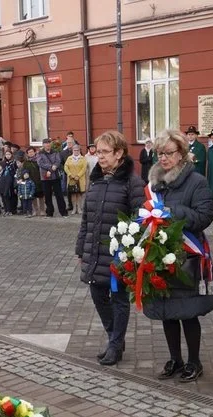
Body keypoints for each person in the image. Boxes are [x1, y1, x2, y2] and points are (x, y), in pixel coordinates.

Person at [145, 130, 213, 383]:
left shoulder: (196, 181)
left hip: (187, 254)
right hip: (160, 253)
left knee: (188, 311)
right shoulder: (155, 183)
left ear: (182, 154)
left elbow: (205, 216)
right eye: (159, 153)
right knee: (167, 310)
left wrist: (172, 211)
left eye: (168, 153)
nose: (163, 158)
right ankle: (175, 358)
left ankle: (194, 361)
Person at [76, 131, 145, 366]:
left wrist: (130, 250)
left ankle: (115, 345)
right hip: (95, 250)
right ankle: (115, 337)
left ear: (119, 153)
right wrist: (81, 249)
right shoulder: (96, 180)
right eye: (98, 152)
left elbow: (140, 219)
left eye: (105, 152)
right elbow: (86, 219)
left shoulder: (132, 182)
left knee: (118, 299)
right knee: (97, 295)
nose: (100, 156)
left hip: (119, 254)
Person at [37, 138, 68, 218]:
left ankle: (63, 212)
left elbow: (58, 161)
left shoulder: (55, 152)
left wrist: (54, 166)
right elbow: (40, 163)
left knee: (59, 195)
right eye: (46, 143)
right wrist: (51, 168)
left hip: (55, 176)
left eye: (49, 143)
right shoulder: (40, 153)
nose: (48, 145)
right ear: (43, 145)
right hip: (45, 177)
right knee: (47, 196)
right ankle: (49, 212)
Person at [64, 144, 87, 215]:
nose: (76, 151)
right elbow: (65, 167)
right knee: (73, 194)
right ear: (72, 151)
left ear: (79, 150)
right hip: (71, 179)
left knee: (79, 194)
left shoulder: (83, 158)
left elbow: (84, 168)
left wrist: (78, 175)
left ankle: (79, 208)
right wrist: (70, 174)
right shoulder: (69, 158)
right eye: (75, 150)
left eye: (77, 150)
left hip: (80, 179)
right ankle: (74, 208)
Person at [25, 147, 44, 216]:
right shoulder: (26, 162)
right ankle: (35, 210)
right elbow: (24, 170)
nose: (31, 153)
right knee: (33, 197)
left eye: (32, 152)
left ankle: (42, 210)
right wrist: (25, 174)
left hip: (40, 180)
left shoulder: (39, 160)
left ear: (35, 152)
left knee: (41, 196)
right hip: (31, 181)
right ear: (27, 154)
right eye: (29, 152)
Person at [0, 151, 17, 216]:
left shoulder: (14, 162)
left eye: (9, 154)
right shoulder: (3, 163)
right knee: (6, 196)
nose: (8, 156)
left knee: (13, 196)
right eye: (6, 154)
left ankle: (13, 209)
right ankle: (7, 209)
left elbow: (15, 171)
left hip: (12, 180)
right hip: (5, 181)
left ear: (11, 155)